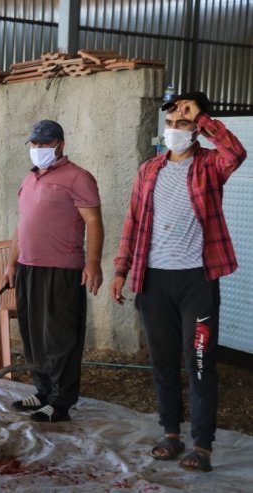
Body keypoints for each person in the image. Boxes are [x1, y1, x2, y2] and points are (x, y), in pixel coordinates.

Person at [110, 92, 247, 472]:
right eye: (170, 123)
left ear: (197, 129)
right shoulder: (149, 170)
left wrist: (201, 118)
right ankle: (171, 432)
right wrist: (121, 270)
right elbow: (133, 222)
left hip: (196, 283)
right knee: (163, 361)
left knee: (200, 361)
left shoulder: (209, 165)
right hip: (153, 282)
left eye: (183, 123)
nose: (174, 130)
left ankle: (202, 444)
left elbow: (236, 153)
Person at [5, 119, 104, 423]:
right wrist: (11, 263)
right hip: (28, 267)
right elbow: (22, 225)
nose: (38, 150)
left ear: (60, 145)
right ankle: (43, 391)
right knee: (33, 335)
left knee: (59, 336)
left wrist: (92, 263)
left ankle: (61, 402)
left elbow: (93, 222)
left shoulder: (78, 178)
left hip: (61, 269)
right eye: (34, 144)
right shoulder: (30, 178)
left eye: (45, 144)